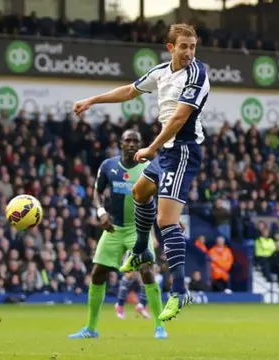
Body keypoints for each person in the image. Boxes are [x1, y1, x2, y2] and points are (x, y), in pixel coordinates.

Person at [73, 23, 209, 321]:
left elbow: (178, 118)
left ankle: (179, 291)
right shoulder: (161, 72)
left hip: (183, 150)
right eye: (183, 46)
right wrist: (93, 100)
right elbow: (130, 91)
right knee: (139, 191)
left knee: (166, 220)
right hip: (169, 150)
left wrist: (151, 149)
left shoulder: (198, 74)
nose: (189, 52)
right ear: (171, 47)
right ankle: (141, 251)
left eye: (193, 47)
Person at [68, 130, 167, 339]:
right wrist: (101, 211)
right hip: (114, 228)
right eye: (128, 141)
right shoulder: (108, 166)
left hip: (138, 228)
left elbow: (162, 195)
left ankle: (160, 326)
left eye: (136, 141)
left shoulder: (150, 167)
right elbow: (97, 192)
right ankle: (91, 328)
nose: (131, 144)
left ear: (141, 145)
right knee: (97, 273)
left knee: (147, 270)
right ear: (120, 143)